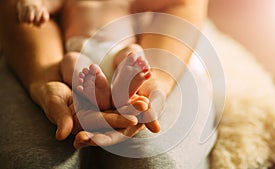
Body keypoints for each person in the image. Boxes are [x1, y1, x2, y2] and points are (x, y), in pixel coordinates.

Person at [1, 0, 208, 150]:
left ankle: (125, 84)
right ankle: (96, 91)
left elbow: (174, 4)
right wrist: (34, 5)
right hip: (82, 52)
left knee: (133, 51)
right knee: (70, 60)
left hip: (118, 51)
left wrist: (161, 77)